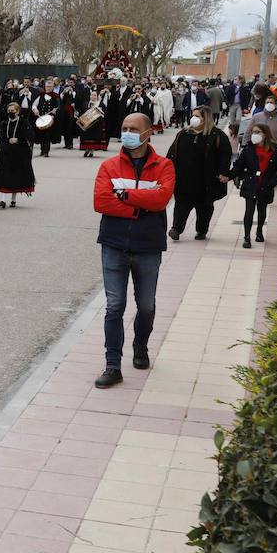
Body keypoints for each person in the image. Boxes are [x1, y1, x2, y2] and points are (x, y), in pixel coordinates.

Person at [92, 114, 175, 389]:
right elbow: (102, 201)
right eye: (124, 128)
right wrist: (141, 206)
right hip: (114, 245)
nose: (127, 133)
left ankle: (141, 346)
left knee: (147, 306)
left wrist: (125, 196)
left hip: (148, 247)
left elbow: (162, 198)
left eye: (133, 129)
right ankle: (112, 365)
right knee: (115, 306)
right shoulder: (109, 166)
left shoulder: (164, 166)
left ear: (148, 132)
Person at [165, 106, 232, 242]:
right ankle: (176, 229)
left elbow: (225, 156)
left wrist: (223, 173)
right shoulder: (183, 134)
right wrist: (166, 171)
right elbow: (172, 154)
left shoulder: (216, 135)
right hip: (184, 179)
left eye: (197, 116)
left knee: (204, 208)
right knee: (181, 206)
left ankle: (201, 230)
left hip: (205, 182)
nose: (193, 118)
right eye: (193, 115)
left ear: (205, 118)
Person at [232, 124, 277, 248]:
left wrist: (271, 184)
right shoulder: (248, 149)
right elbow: (238, 166)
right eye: (253, 132)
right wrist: (228, 176)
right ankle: (246, 237)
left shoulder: (276, 152)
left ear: (265, 134)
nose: (254, 135)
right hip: (251, 184)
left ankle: (259, 230)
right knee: (249, 210)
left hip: (265, 185)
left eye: (257, 132)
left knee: (261, 210)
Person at [0, 104, 36, 209]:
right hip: (6, 153)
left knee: (16, 177)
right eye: (9, 110)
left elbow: (30, 136)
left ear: (17, 111)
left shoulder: (23, 122)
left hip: (20, 153)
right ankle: (2, 199)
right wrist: (6, 142)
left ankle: (13, 200)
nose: (10, 112)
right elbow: (1, 136)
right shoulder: (4, 123)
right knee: (4, 175)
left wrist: (18, 140)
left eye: (12, 110)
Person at [79, 85, 108, 157]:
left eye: (94, 95)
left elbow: (103, 113)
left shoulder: (100, 104)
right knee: (86, 137)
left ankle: (91, 151)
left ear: (97, 96)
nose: (93, 96)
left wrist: (97, 109)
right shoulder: (86, 103)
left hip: (96, 124)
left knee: (94, 137)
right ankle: (86, 150)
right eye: (91, 95)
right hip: (87, 123)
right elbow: (82, 112)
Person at [34, 81, 61, 157]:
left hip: (50, 118)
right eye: (47, 86)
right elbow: (34, 105)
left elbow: (59, 106)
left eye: (50, 86)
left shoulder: (56, 96)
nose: (48, 88)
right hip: (41, 118)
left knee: (47, 135)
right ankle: (42, 150)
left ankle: (46, 151)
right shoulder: (41, 95)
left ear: (53, 87)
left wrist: (56, 110)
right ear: (44, 87)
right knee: (41, 135)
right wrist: (35, 109)